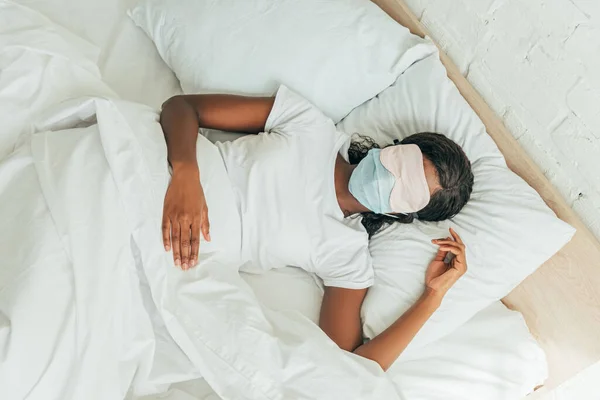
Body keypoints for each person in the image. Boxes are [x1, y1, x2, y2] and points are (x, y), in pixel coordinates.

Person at [159, 85, 473, 370]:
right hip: (165, 170)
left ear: (407, 213)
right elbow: (182, 107)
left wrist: (432, 297)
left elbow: (347, 371)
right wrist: (186, 173)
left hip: (179, 249)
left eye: (409, 190)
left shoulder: (347, 254)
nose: (391, 179)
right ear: (397, 146)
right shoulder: (310, 126)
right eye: (404, 165)